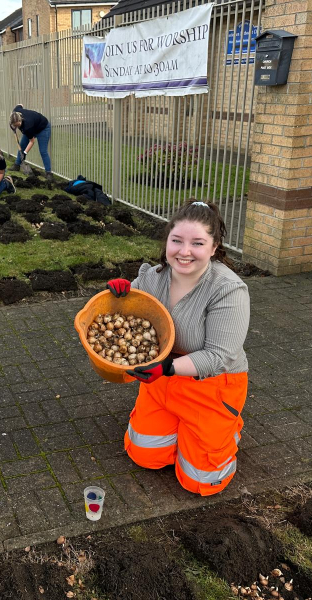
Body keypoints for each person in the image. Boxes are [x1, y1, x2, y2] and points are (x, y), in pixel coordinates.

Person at [106, 200, 250, 496]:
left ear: (214, 247)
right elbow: (130, 314)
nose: (184, 251)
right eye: (177, 241)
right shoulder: (153, 277)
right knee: (144, 454)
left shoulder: (227, 290)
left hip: (210, 385)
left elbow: (219, 356)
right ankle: (176, 425)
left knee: (201, 481)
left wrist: (168, 367)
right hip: (162, 382)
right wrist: (120, 294)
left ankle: (227, 426)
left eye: (197, 243)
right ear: (167, 241)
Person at [9, 104, 52, 181]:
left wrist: (25, 153)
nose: (16, 127)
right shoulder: (15, 113)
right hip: (32, 127)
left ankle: (48, 173)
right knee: (21, 146)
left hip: (42, 128)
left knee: (43, 151)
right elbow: (20, 105)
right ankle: (17, 165)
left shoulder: (27, 126)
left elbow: (32, 141)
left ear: (20, 120)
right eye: (14, 125)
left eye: (18, 125)